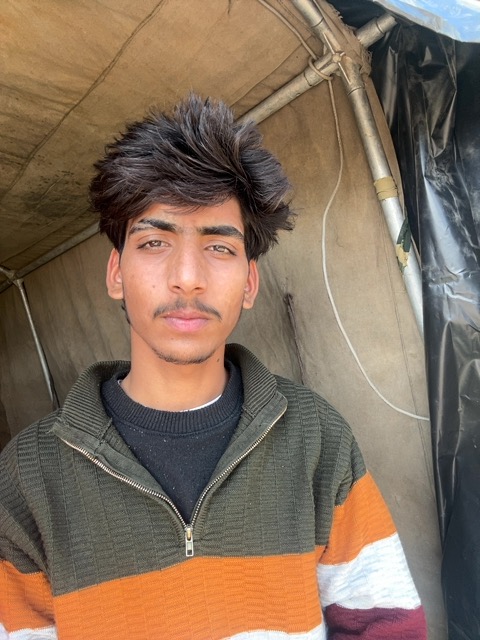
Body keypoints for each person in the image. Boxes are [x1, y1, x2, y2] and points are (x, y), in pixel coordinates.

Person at [0, 94, 427, 639]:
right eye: (154, 241)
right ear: (116, 274)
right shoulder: (28, 477)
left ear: (249, 282)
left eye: (219, 248)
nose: (187, 277)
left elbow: (385, 624)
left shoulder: (315, 436)